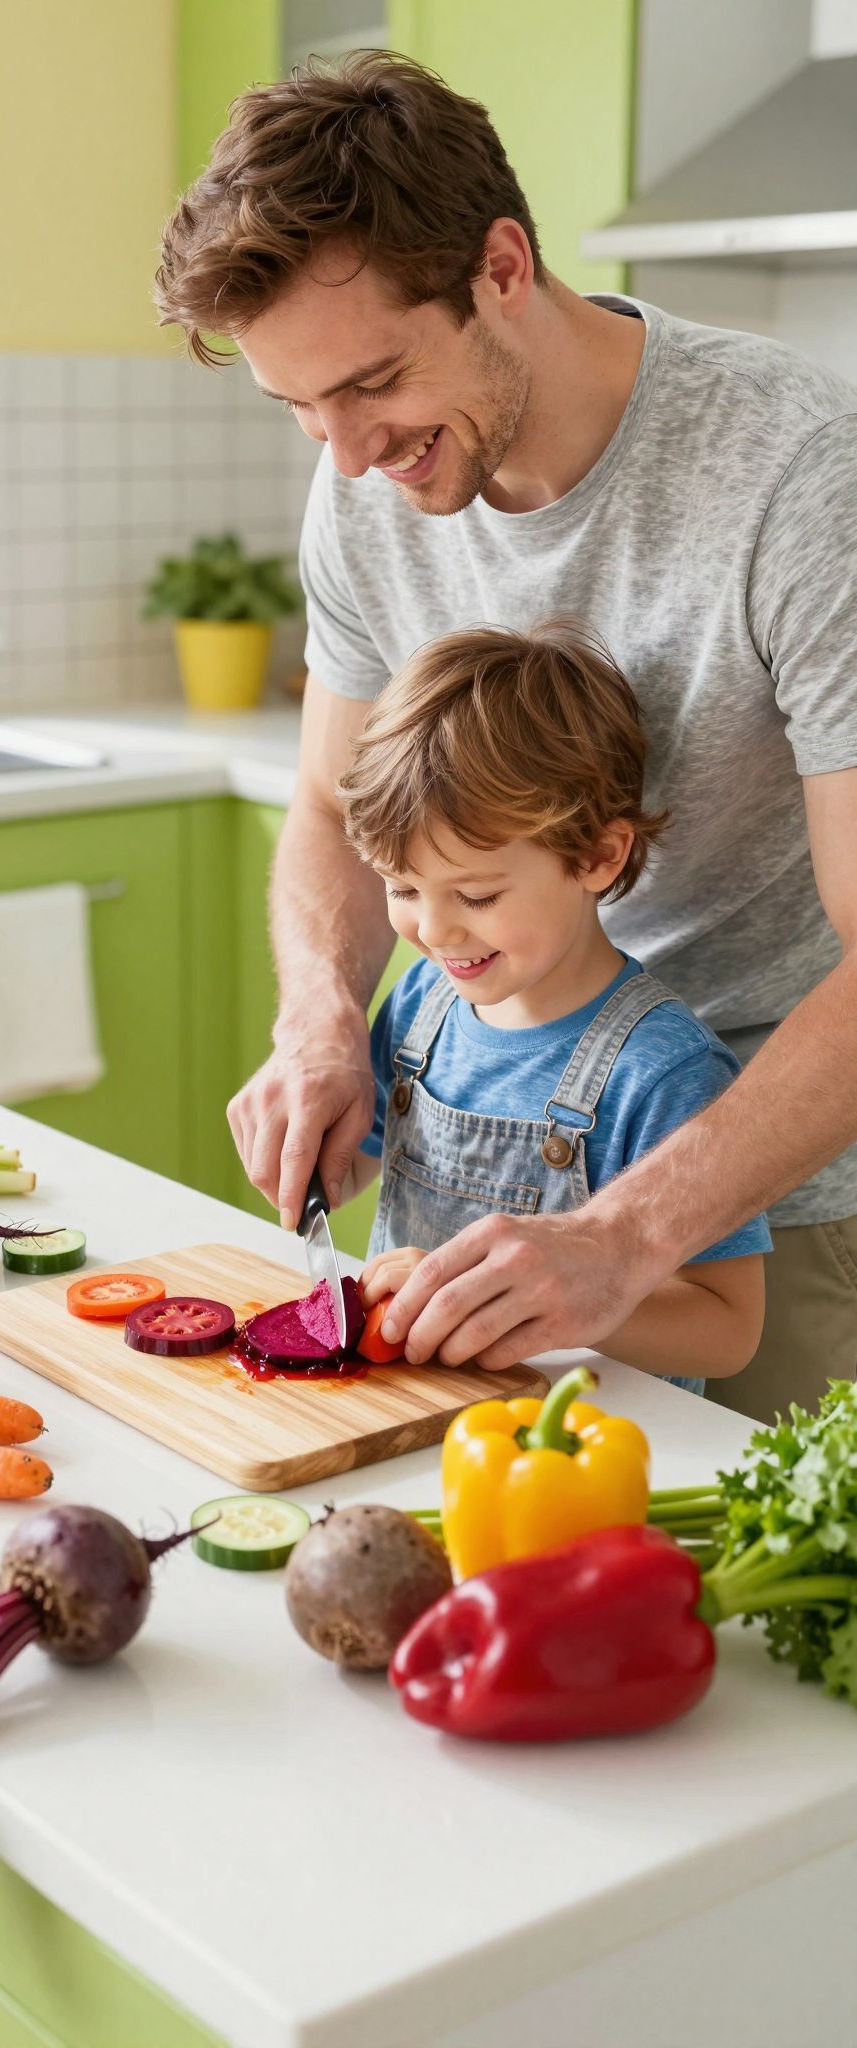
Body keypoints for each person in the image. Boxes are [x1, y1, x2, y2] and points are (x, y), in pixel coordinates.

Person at [154, 52, 857, 1419]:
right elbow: (324, 809)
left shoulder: (802, 475)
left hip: (759, 1217)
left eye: (369, 385)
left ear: (503, 266)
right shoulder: (358, 488)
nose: (346, 455)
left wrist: (627, 1235)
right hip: (479, 1197)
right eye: (298, 409)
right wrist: (319, 1022)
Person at [333, 623, 768, 1392]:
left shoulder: (666, 1070)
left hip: (586, 1451)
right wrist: (312, 1155)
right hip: (417, 1422)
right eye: (403, 889)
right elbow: (363, 1154)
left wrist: (562, 1304)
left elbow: (727, 1329)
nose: (432, 931)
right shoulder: (420, 1007)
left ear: (600, 856)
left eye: (476, 894)